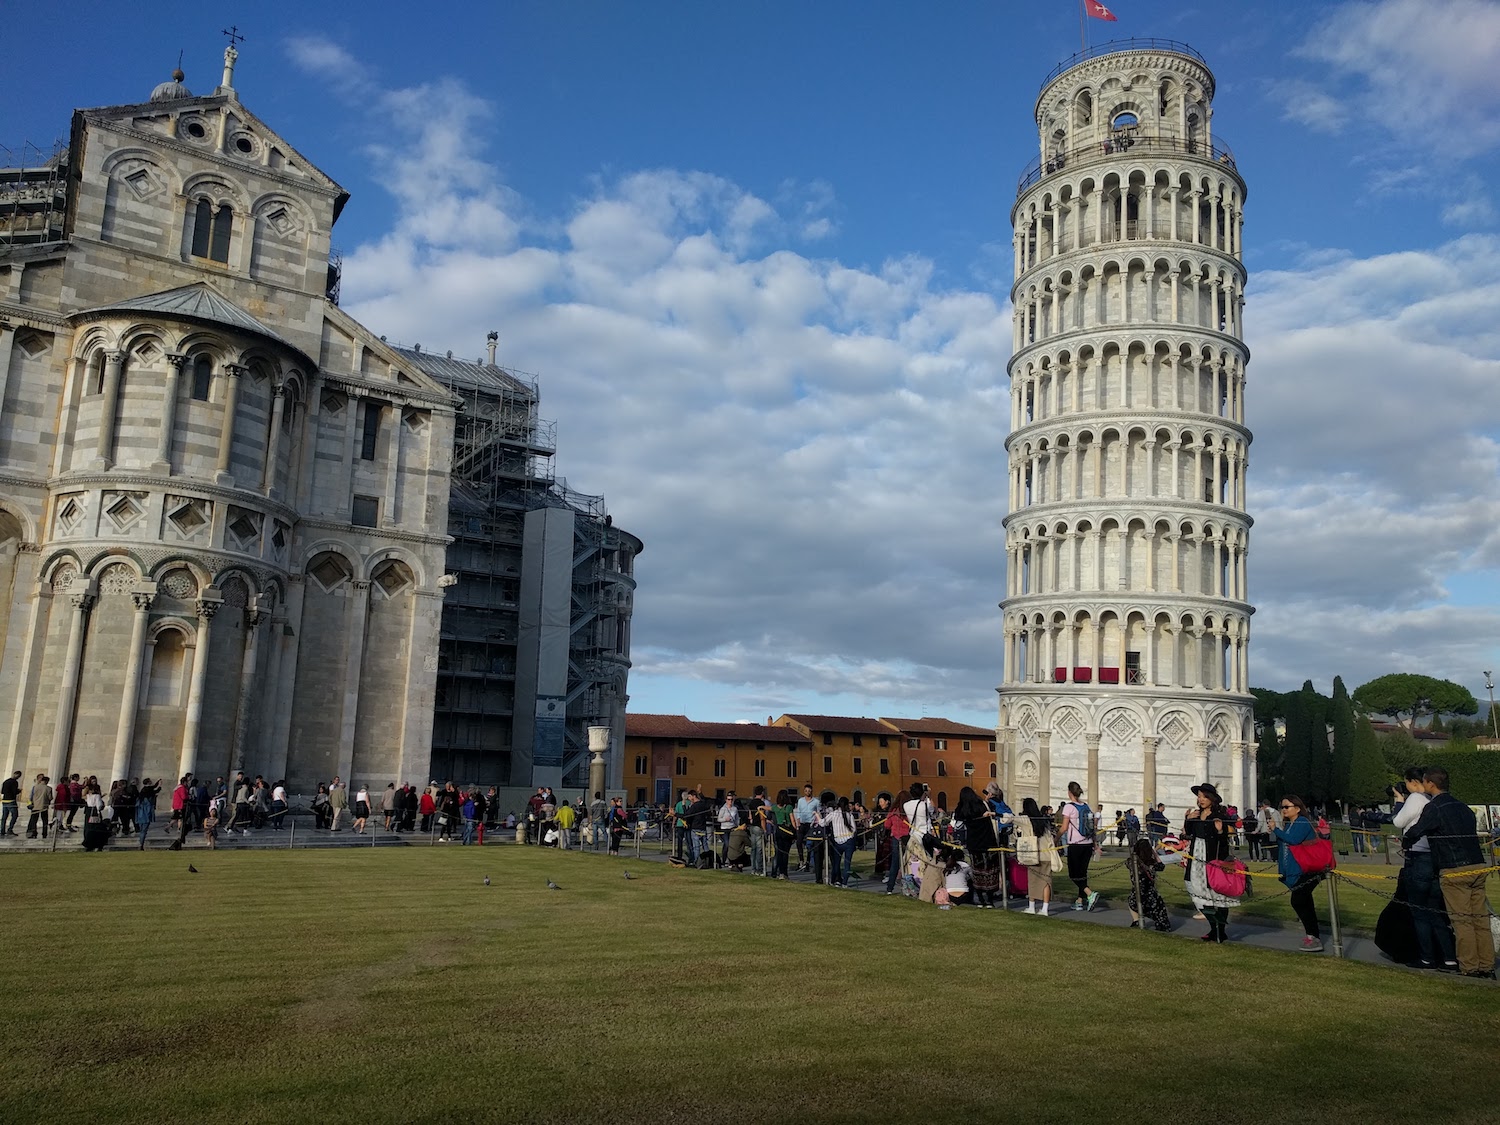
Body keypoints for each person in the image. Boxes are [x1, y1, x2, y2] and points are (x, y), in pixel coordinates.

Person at [1401, 766, 1496, 979]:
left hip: (1455, 869)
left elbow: (1418, 829)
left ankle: (1470, 967)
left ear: (1431, 784)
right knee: (1480, 919)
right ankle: (1487, 965)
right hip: (1477, 866)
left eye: (1424, 782)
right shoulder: (1463, 807)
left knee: (1462, 921)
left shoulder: (1435, 807)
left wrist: (1406, 841)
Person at [1391, 765, 1457, 971]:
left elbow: (1398, 821)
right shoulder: (1434, 800)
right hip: (1435, 857)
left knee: (1420, 912)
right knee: (1435, 911)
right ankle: (1448, 957)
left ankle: (1427, 957)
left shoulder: (1416, 799)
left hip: (1418, 857)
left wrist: (1399, 803)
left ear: (1413, 782)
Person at [1183, 782, 1239, 943]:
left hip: (1214, 859)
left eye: (1204, 796)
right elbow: (1188, 834)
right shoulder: (1195, 815)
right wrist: (1188, 820)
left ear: (1211, 798)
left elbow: (1227, 837)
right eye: (1199, 796)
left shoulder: (1220, 815)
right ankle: (1213, 927)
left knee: (1218, 894)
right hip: (1197, 858)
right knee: (1199, 894)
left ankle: (1220, 930)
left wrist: (1220, 830)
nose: (1200, 799)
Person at [1271, 794, 1325, 953]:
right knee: (1304, 902)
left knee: (1299, 900)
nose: (1283, 810)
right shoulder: (1290, 824)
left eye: (1286, 807)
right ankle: (1312, 936)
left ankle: (1313, 936)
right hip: (1298, 869)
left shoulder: (1302, 822)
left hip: (1309, 869)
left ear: (1297, 808)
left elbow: (1293, 840)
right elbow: (1284, 844)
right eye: (1282, 807)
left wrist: (1276, 829)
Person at [954, 786, 999, 908]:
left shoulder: (963, 809)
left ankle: (980, 899)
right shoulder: (980, 805)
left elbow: (957, 818)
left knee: (977, 872)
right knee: (989, 871)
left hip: (973, 844)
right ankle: (989, 900)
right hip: (987, 843)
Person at [1060, 781, 1099, 911]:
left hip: (1075, 844)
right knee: (1082, 873)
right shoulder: (1085, 806)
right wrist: (1095, 844)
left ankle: (1089, 893)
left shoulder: (1068, 807)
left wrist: (1055, 839)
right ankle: (1080, 901)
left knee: (1073, 874)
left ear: (1069, 792)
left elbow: (1064, 827)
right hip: (1087, 843)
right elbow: (1091, 827)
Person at [1015, 797, 1055, 915]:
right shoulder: (1043, 820)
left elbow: (1010, 818)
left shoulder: (1026, 819)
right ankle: (1045, 909)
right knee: (1046, 882)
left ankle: (1031, 907)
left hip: (1034, 855)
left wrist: (995, 813)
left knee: (1032, 881)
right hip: (1046, 855)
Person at [1126, 838, 1171, 931]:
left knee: (1131, 900)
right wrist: (1154, 854)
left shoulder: (1131, 862)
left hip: (1136, 895)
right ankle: (1162, 924)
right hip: (1151, 895)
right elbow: (1161, 866)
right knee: (1159, 908)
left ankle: (1136, 920)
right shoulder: (1152, 864)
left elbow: (1128, 862)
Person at [824, 796, 858, 888]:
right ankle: (845, 883)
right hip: (848, 841)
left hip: (837, 841)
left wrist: (816, 815)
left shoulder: (833, 814)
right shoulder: (849, 815)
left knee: (836, 863)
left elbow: (823, 822)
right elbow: (854, 829)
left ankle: (834, 880)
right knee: (847, 863)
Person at [880, 794, 910, 894]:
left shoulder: (893, 811)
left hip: (896, 838)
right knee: (909, 863)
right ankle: (909, 887)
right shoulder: (908, 811)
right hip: (907, 838)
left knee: (895, 864)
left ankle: (890, 888)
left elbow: (887, 825)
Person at [770, 790, 795, 878]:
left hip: (779, 830)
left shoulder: (775, 807)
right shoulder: (789, 807)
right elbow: (792, 820)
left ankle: (780, 872)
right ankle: (785, 872)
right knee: (786, 853)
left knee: (780, 853)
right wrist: (795, 830)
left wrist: (761, 807)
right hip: (787, 830)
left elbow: (768, 808)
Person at [794, 784, 819, 871]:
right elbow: (798, 811)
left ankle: (808, 862)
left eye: (809, 791)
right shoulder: (800, 800)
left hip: (811, 824)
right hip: (802, 823)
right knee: (799, 842)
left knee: (810, 844)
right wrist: (798, 822)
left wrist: (817, 822)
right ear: (804, 791)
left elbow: (818, 813)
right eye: (806, 791)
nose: (807, 792)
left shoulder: (816, 801)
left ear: (811, 791)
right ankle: (801, 860)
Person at [135, 777, 161, 849]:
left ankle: (141, 843)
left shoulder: (143, 791)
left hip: (141, 814)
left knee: (142, 830)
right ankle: (141, 844)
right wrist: (160, 785)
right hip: (146, 813)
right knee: (144, 830)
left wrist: (158, 782)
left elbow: (154, 787)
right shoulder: (149, 794)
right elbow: (155, 790)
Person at [25, 773, 52, 838]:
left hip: (35, 806)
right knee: (45, 821)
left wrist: (30, 804)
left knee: (34, 820)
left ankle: (34, 832)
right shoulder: (48, 788)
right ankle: (44, 833)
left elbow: (30, 797)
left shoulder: (35, 787)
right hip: (44, 806)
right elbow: (50, 798)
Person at [1, 770, 22, 837]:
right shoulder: (14, 782)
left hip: (4, 801)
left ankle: (2, 830)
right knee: (15, 815)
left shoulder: (6, 781)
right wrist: (19, 791)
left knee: (4, 817)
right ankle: (10, 829)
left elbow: (2, 791)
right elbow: (14, 792)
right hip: (11, 801)